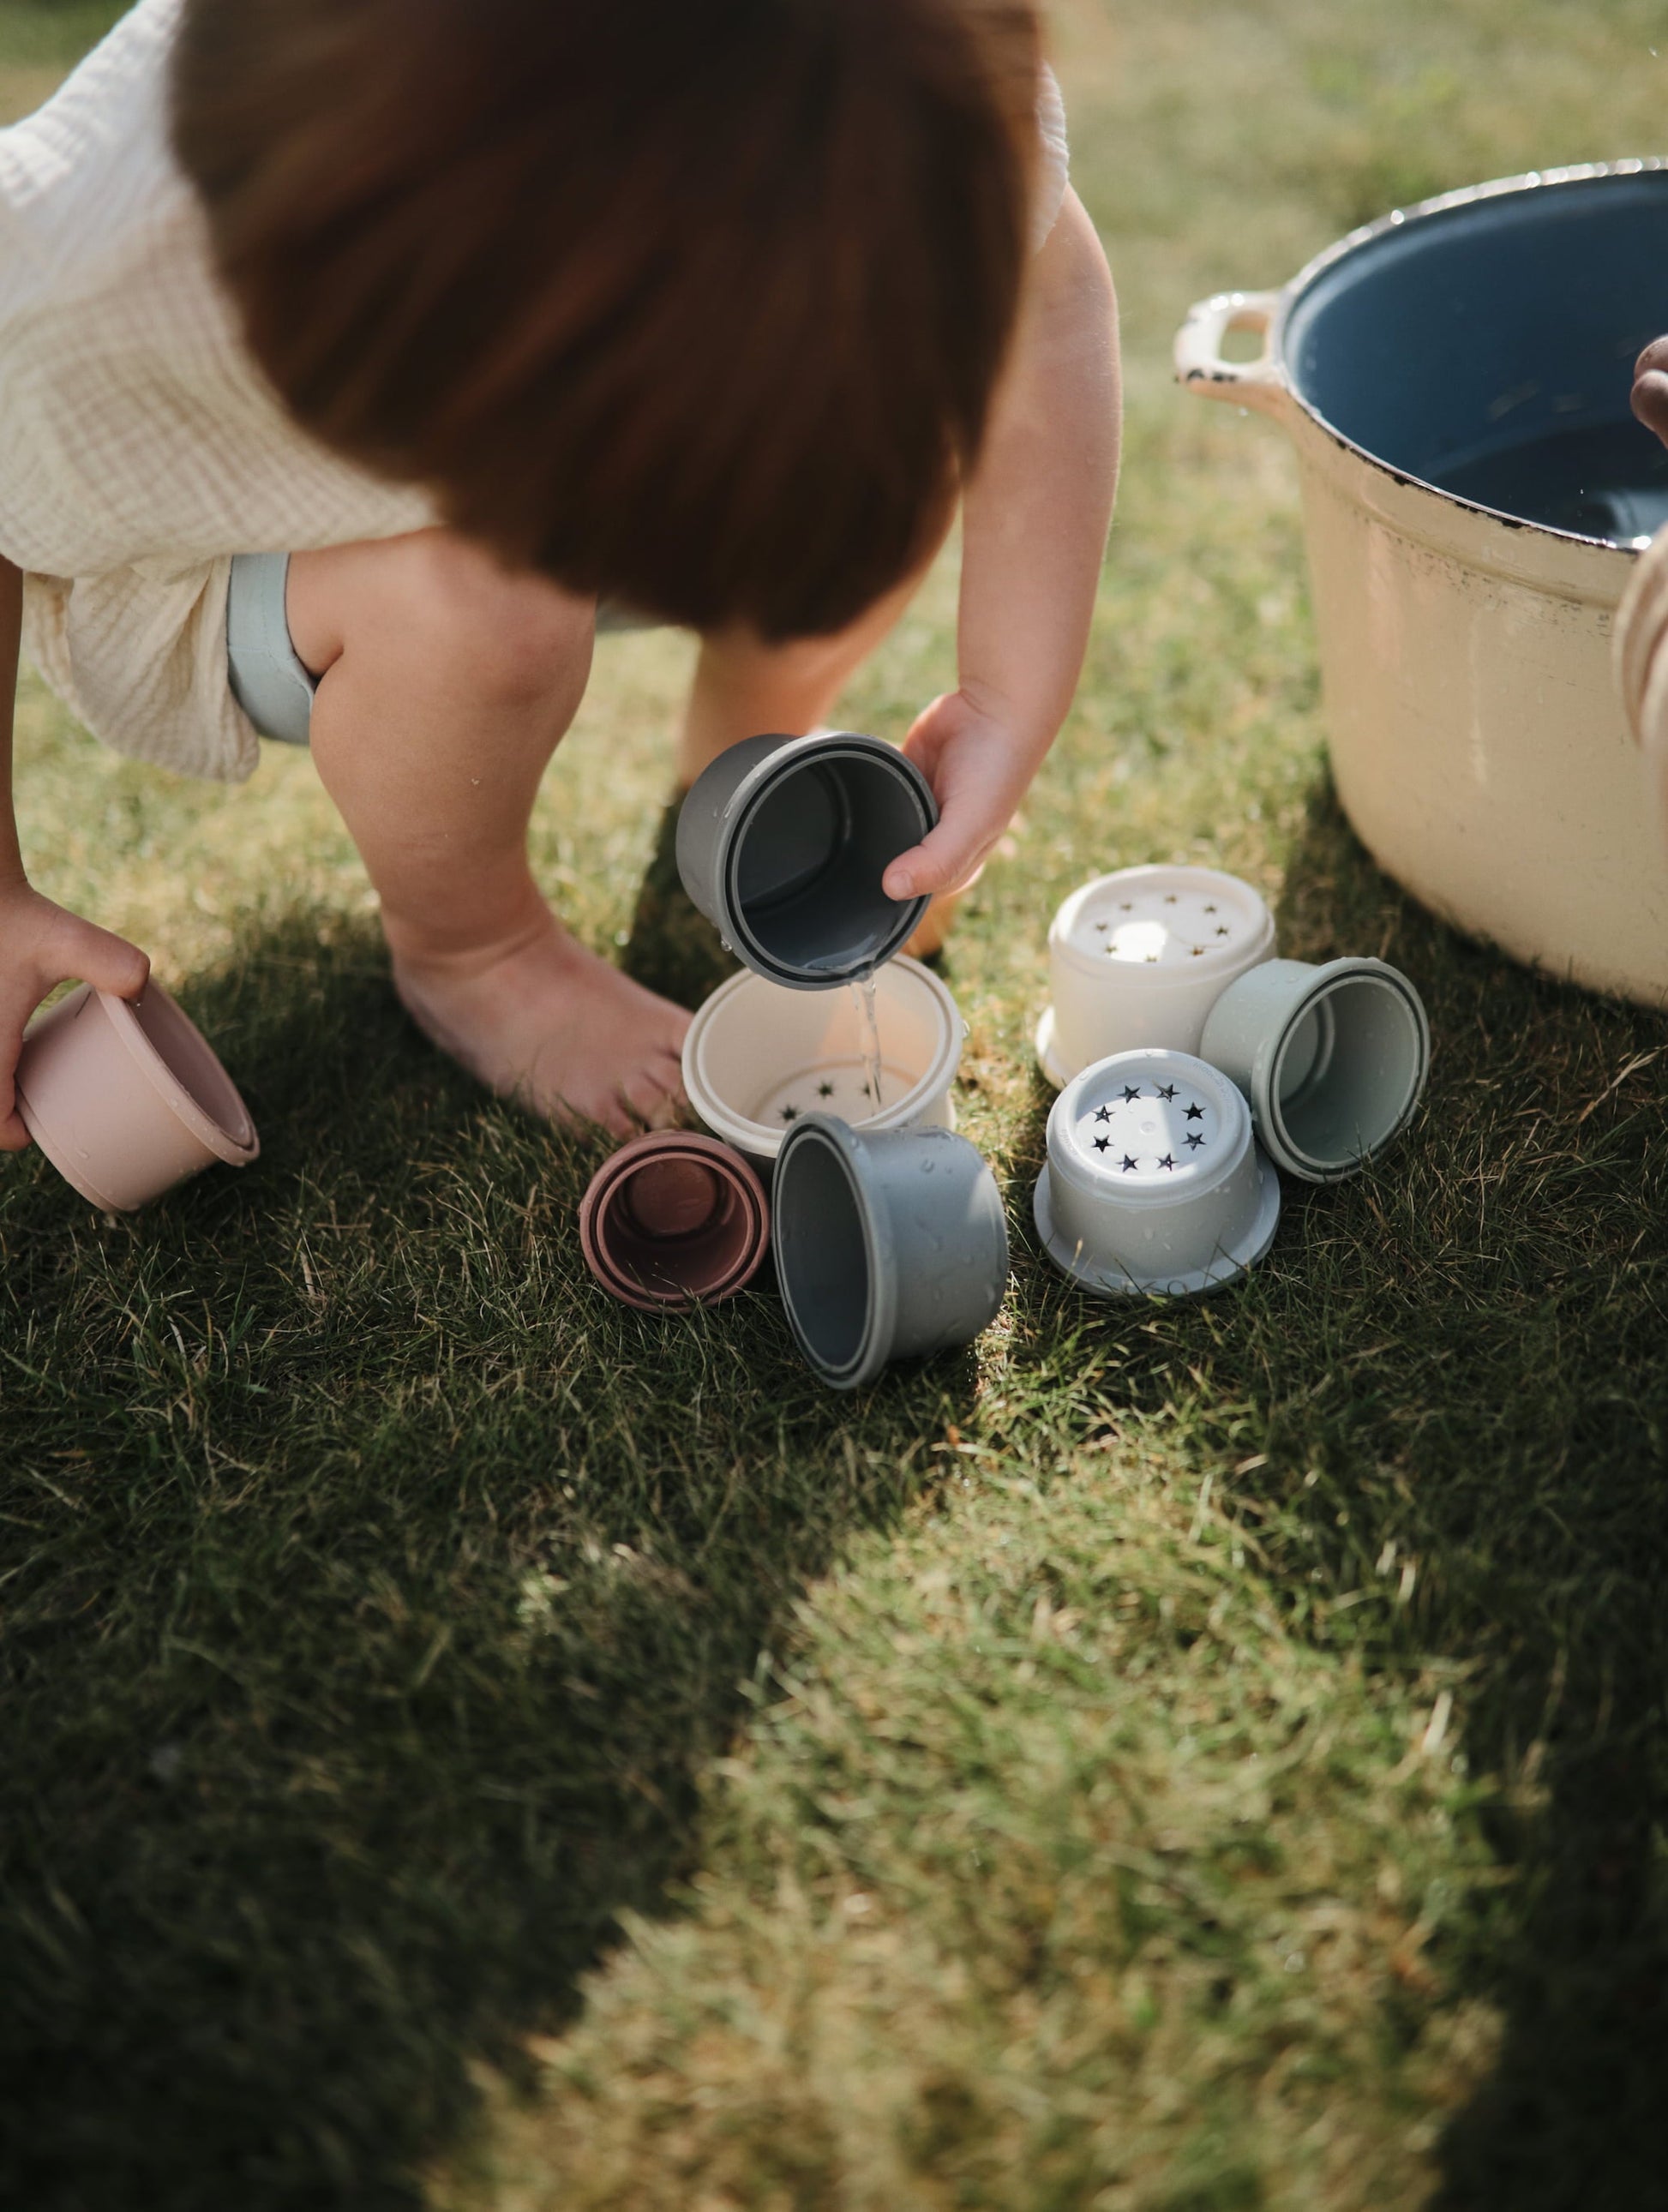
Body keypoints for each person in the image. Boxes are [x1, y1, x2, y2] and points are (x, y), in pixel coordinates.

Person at [0, 0, 1119, 1145]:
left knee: (902, 417)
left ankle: (743, 747)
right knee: (489, 597)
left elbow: (1045, 294)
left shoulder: (891, 64)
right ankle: (472, 951)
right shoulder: (144, 219)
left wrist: (1003, 696)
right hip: (219, 554)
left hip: (522, 430)